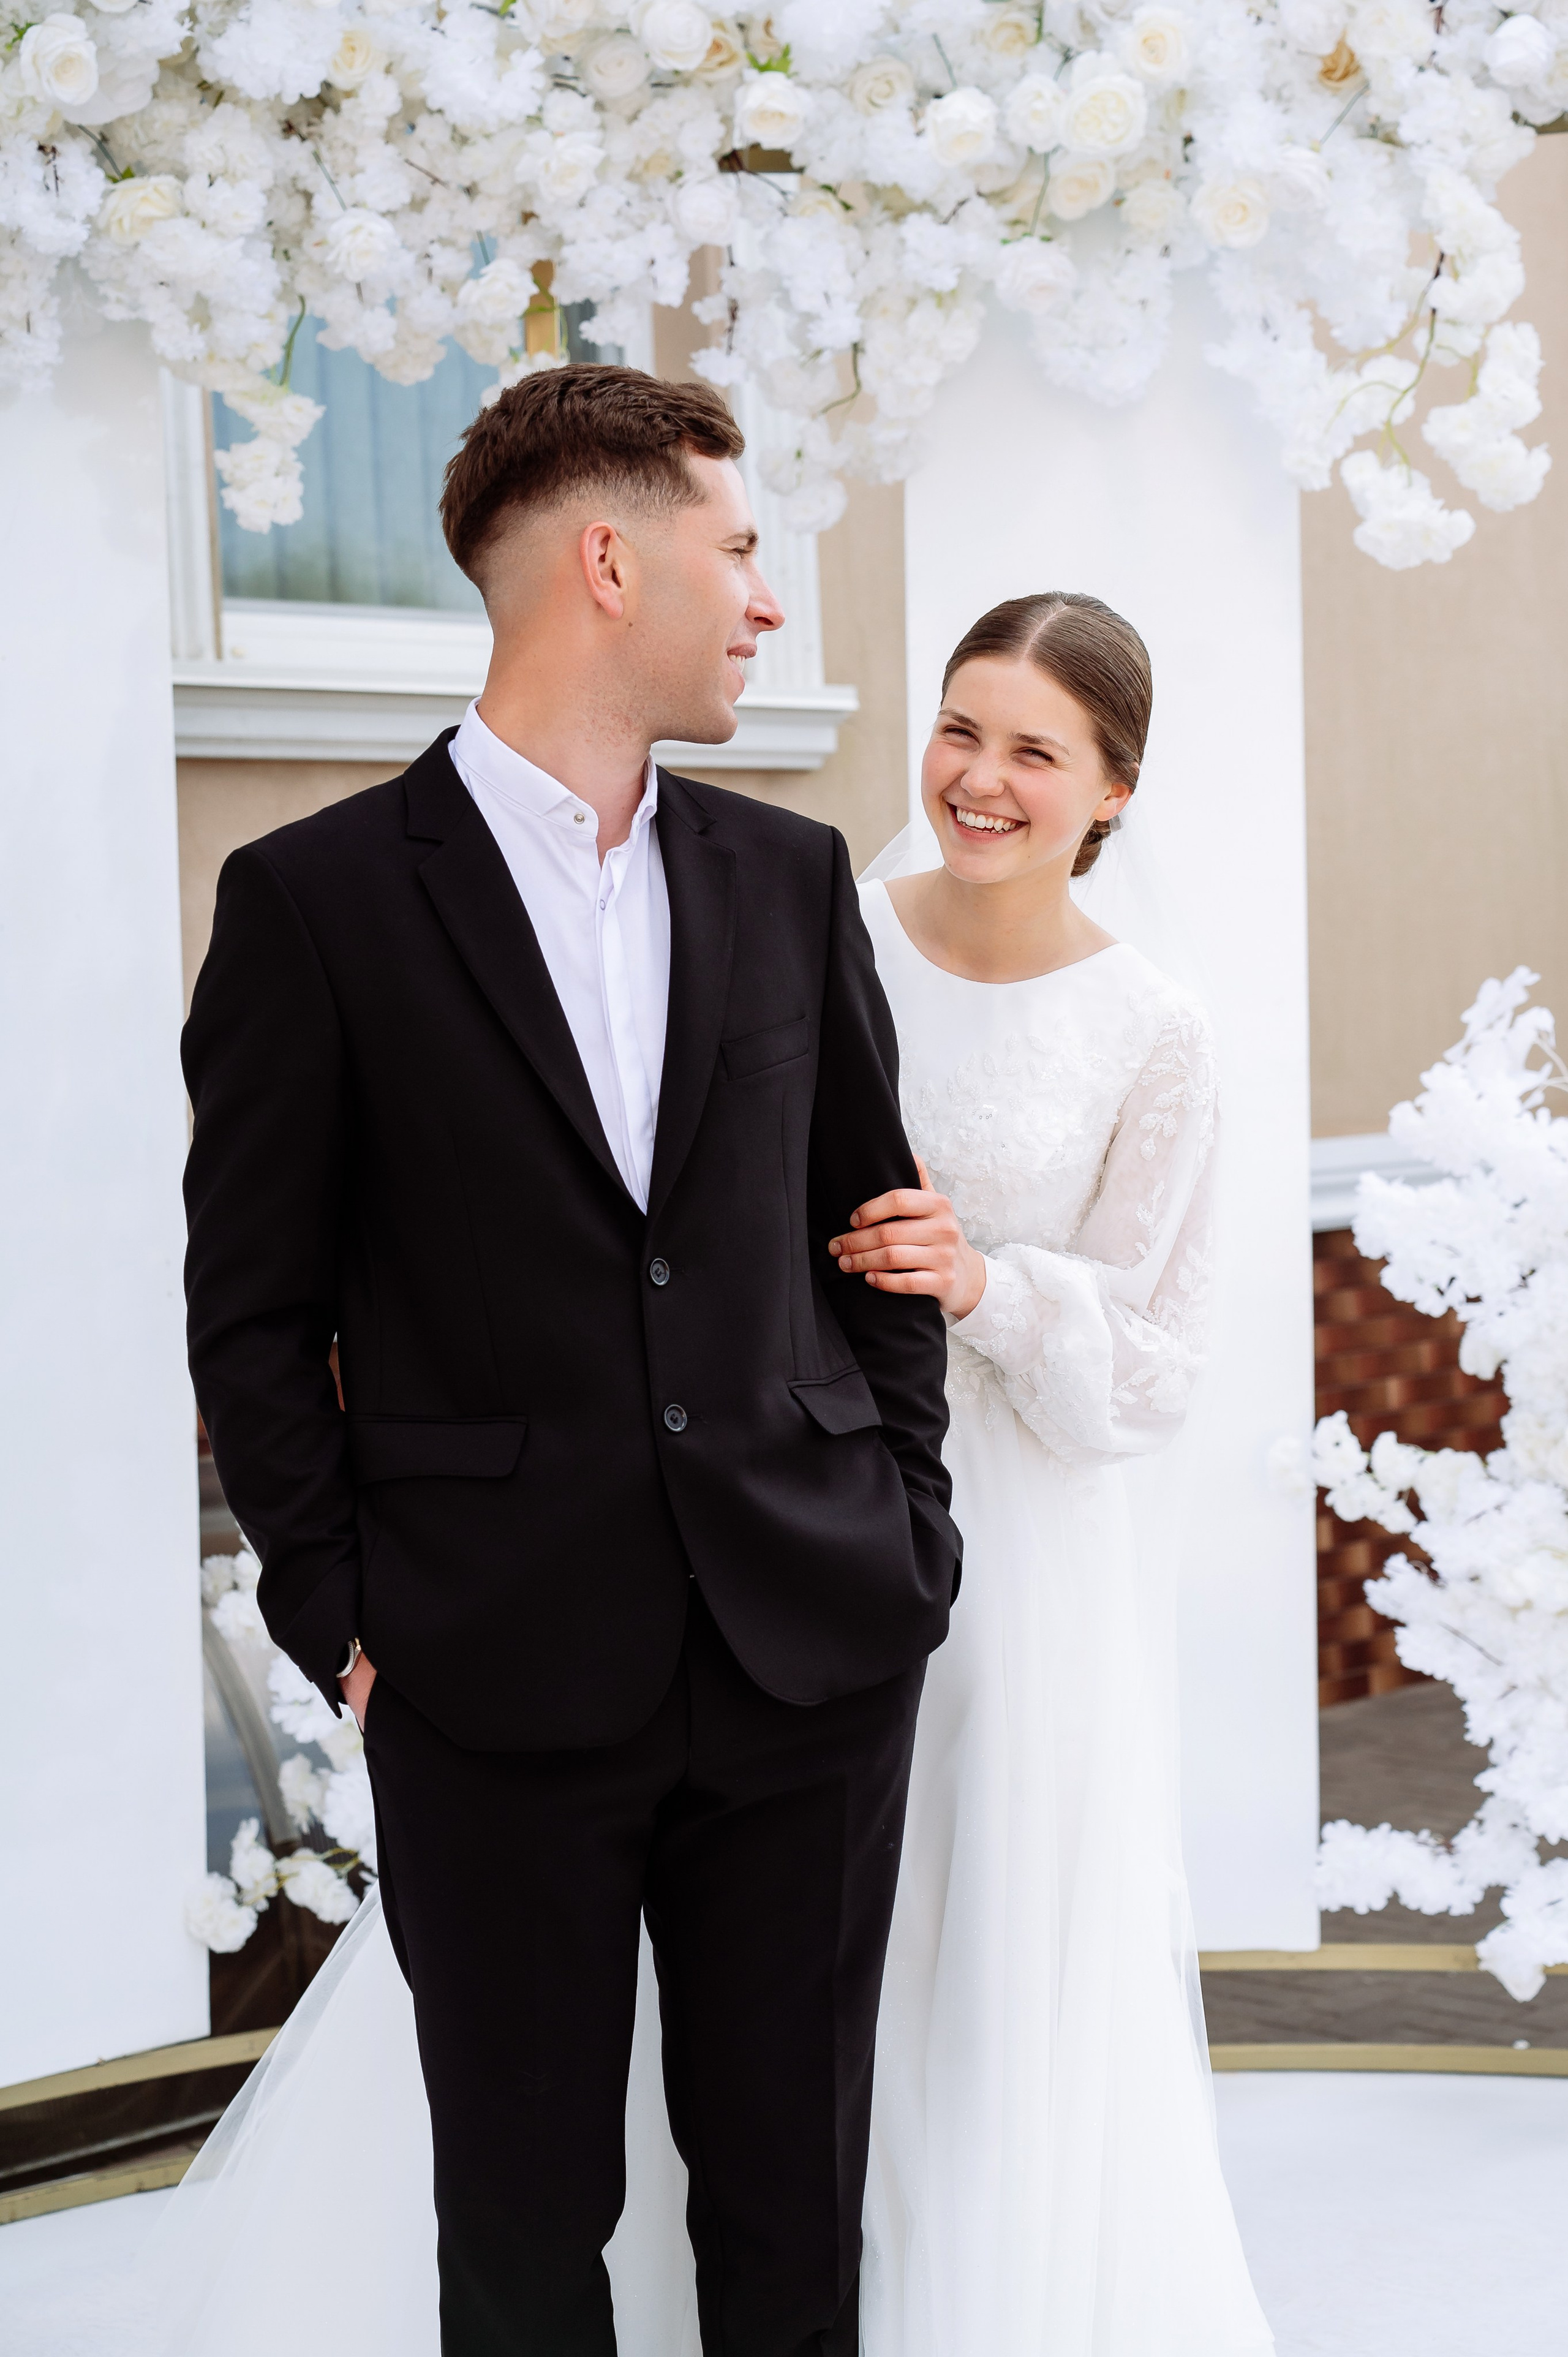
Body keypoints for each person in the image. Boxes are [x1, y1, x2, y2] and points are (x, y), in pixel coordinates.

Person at [179, 364, 959, 2357]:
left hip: (807, 1648)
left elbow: (874, 1236)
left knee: (797, 2211)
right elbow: (253, 1311)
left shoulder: (789, 886)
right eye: (744, 549)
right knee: (526, 2234)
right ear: (611, 561)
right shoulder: (318, 906)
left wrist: (904, 1523)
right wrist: (346, 1609)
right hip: (490, 1673)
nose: (768, 602)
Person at [842, 592, 1274, 2355]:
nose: (981, 778)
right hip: (798, 1488)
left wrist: (990, 1284)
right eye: (960, 729)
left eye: (1036, 750)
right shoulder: (832, 938)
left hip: (1015, 1544)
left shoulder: (1152, 1028)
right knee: (809, 1932)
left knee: (980, 1929)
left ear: (1113, 791)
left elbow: (1157, 1363)